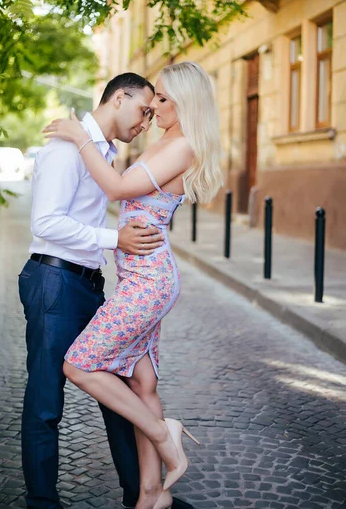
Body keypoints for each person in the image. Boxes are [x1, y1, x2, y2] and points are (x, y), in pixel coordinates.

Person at [43, 61, 222, 509]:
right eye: (153, 99)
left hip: (149, 281)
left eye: (162, 99)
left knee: (78, 365)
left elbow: (119, 188)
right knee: (142, 382)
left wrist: (81, 138)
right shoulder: (168, 140)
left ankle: (165, 433)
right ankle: (150, 494)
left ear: (185, 101)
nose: (154, 107)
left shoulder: (181, 145)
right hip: (138, 277)